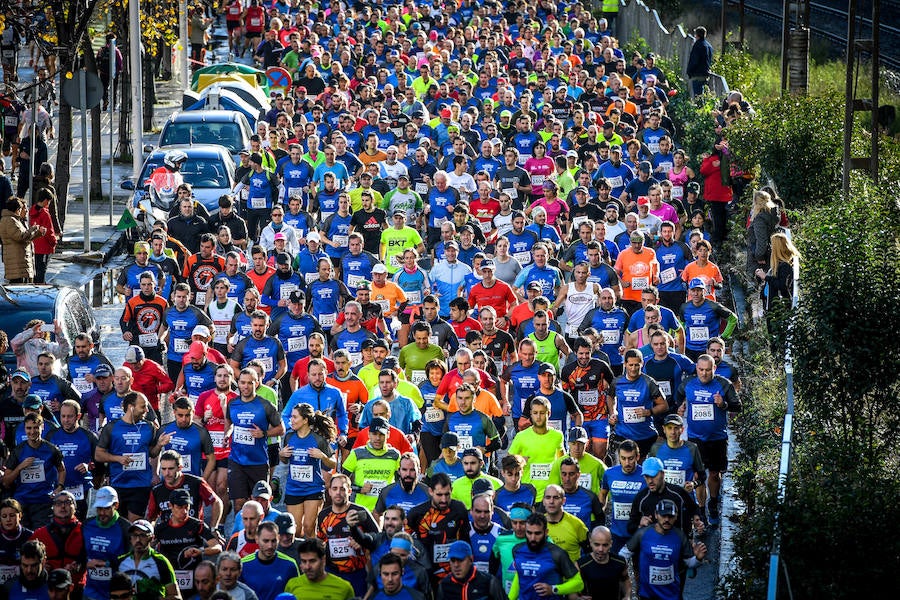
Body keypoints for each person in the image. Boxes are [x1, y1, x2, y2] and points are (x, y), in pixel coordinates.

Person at [619, 499, 707, 600]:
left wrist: (698, 559)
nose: (666, 520)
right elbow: (623, 554)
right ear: (656, 515)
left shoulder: (680, 536)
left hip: (672, 595)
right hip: (647, 595)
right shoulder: (643, 533)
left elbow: (689, 563)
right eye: (663, 516)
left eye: (670, 516)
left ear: (676, 516)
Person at [315, 474, 378, 597]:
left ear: (349, 491)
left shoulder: (360, 512)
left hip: (357, 573)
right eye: (335, 489)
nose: (338, 492)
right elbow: (320, 541)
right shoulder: (323, 515)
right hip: (332, 572)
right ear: (329, 491)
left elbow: (378, 536)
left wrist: (361, 541)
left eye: (342, 489)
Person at [280, 403, 336, 539]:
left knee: (309, 527)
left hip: (313, 489)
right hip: (294, 489)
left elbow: (333, 463)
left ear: (305, 420)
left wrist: (322, 456)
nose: (291, 420)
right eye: (291, 417)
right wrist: (282, 454)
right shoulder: (289, 437)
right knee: (296, 531)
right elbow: (284, 461)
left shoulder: (318, 439)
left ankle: (313, 558)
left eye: (294, 417)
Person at [153, 488, 222, 597]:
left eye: (186, 507)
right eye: (180, 507)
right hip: (169, 581)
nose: (184, 511)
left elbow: (217, 547)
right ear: (171, 506)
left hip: (195, 583)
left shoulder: (196, 525)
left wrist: (201, 551)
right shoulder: (161, 529)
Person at [3, 413, 65, 529]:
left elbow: (62, 470)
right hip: (22, 502)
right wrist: (20, 467)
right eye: (29, 428)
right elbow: (6, 481)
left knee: (41, 539)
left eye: (36, 427)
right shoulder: (18, 451)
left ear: (42, 427)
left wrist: (60, 487)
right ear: (24, 428)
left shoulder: (51, 449)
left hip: (43, 502)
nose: (32, 432)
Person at [508, 513, 584, 600]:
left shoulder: (557, 554)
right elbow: (519, 576)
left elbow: (579, 584)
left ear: (546, 532)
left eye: (537, 533)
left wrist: (553, 589)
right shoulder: (517, 550)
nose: (533, 538)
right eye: (529, 533)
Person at [82, 486, 132, 600]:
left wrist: (108, 564)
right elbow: (80, 554)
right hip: (91, 591)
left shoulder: (126, 528)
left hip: (117, 592)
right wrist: (85, 564)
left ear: (116, 506)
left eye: (106, 508)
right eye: (99, 508)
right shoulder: (86, 525)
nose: (102, 513)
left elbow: (130, 558)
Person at [755, 232, 800, 355]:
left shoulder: (784, 266)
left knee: (777, 339)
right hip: (772, 307)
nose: (770, 248)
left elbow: (782, 285)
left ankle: (779, 362)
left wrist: (766, 278)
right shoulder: (777, 266)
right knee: (773, 338)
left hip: (779, 308)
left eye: (772, 245)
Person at [115, 519, 179, 600]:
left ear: (151, 538)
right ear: (130, 538)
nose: (138, 540)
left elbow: (176, 597)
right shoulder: (120, 562)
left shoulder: (161, 562)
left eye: (143, 535)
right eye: (134, 535)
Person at [679, 279, 737, 362]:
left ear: (704, 291)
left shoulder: (714, 306)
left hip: (709, 350)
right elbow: (681, 324)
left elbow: (733, 319)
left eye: (699, 290)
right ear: (689, 291)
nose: (695, 293)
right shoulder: (684, 307)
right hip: (690, 349)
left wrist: (724, 337)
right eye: (693, 290)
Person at [238, 521, 299, 600]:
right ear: (257, 539)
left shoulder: (289, 565)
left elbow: (297, 593)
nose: (270, 546)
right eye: (266, 541)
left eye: (273, 541)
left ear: (278, 539)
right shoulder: (243, 564)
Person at [283, 538, 354, 600]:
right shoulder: (292, 585)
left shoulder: (344, 588)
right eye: (304, 561)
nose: (307, 567)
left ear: (323, 560)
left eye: (312, 561)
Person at [577, 525, 630, 600]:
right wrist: (577, 598)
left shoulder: (620, 562)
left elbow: (625, 580)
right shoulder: (581, 565)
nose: (601, 549)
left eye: (605, 545)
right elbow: (572, 592)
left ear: (611, 543)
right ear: (590, 542)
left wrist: (627, 596)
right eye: (597, 544)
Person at [0, 197, 45, 283]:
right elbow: (20, 237)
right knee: (18, 288)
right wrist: (33, 229)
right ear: (17, 209)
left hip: (20, 262)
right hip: (16, 263)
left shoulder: (15, 220)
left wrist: (38, 233)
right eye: (21, 209)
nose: (22, 211)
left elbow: (25, 238)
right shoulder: (10, 220)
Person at [687, 27, 714, 96]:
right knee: (704, 95)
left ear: (696, 35)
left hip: (697, 74)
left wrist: (689, 72)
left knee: (698, 97)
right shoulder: (709, 46)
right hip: (706, 74)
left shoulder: (698, 45)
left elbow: (694, 60)